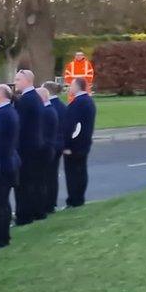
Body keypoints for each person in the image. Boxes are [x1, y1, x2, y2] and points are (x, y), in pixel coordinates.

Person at [0, 84, 20, 248]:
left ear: (0, 95)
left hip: (3, 164)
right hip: (9, 162)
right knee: (3, 203)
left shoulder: (2, 115)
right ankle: (3, 236)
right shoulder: (9, 112)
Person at [13, 69, 43, 225]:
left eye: (18, 79)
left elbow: (20, 125)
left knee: (24, 184)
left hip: (26, 148)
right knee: (32, 182)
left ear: (27, 81)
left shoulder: (27, 100)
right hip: (33, 146)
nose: (15, 82)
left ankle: (24, 215)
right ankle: (34, 211)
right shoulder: (34, 98)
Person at [63, 77, 96, 207]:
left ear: (77, 86)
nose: (69, 88)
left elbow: (74, 126)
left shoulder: (78, 103)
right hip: (84, 143)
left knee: (73, 174)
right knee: (81, 171)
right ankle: (79, 198)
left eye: (71, 85)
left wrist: (68, 144)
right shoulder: (88, 101)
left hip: (75, 146)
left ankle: (74, 200)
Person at [43, 81, 68, 212]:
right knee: (53, 175)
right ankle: (52, 202)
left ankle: (46, 202)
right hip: (59, 144)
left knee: (46, 176)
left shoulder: (47, 107)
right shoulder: (63, 107)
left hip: (50, 144)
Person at [36, 87, 59, 219]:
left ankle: (46, 206)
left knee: (44, 180)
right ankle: (47, 205)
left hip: (45, 150)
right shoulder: (50, 110)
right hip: (49, 149)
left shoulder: (46, 112)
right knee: (48, 179)